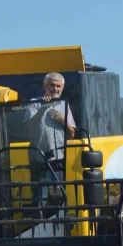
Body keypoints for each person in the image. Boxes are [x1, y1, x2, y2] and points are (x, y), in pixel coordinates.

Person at [26, 72, 76, 207]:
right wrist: (43, 108)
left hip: (59, 159)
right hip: (39, 158)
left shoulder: (64, 105)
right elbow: (29, 128)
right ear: (45, 86)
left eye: (58, 86)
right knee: (40, 199)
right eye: (51, 85)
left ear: (62, 88)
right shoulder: (34, 103)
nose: (55, 89)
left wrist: (63, 120)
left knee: (60, 197)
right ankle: (39, 223)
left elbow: (72, 133)